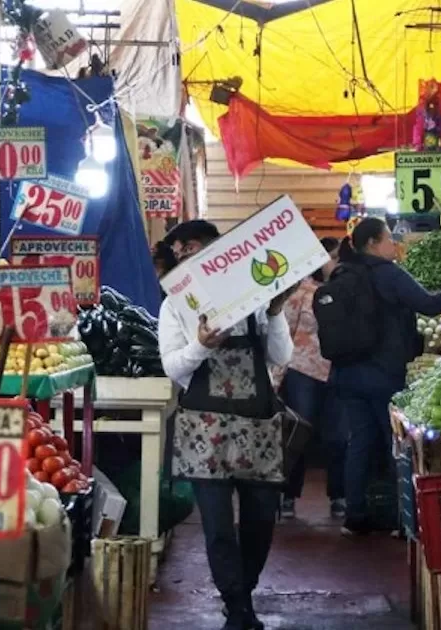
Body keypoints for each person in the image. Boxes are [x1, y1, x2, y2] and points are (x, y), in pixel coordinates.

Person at [158, 219, 296, 630]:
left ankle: (245, 589)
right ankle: (236, 605)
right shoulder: (174, 306)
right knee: (217, 525)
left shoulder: (253, 297)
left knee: (260, 519)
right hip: (204, 428)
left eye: (199, 248)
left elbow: (280, 355)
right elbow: (172, 367)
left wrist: (274, 313)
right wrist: (201, 345)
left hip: (257, 426)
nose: (191, 256)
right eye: (185, 251)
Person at [328, 217, 441, 536]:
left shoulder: (344, 273)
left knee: (360, 442)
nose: (394, 244)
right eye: (388, 239)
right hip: (382, 373)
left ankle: (355, 515)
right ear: (372, 244)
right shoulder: (388, 274)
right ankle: (400, 519)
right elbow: (430, 304)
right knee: (396, 444)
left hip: (347, 374)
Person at [277, 236, 345, 519]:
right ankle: (287, 495)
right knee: (298, 432)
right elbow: (282, 332)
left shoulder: (344, 289)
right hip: (301, 370)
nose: (336, 262)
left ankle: (339, 495)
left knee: (337, 435)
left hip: (337, 369)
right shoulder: (298, 291)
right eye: (331, 256)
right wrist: (276, 375)